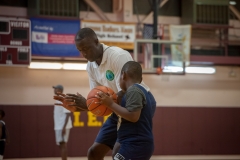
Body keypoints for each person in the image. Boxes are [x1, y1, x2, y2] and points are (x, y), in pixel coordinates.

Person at [53, 27, 155, 160]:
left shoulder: (117, 56)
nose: (84, 53)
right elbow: (98, 102)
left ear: (96, 42)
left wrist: (89, 104)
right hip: (116, 105)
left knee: (119, 153)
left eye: (86, 48)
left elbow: (124, 93)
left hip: (136, 102)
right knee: (94, 153)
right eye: (80, 50)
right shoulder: (90, 66)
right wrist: (79, 107)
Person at [96, 61, 155, 159]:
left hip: (136, 145)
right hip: (133, 143)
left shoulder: (134, 90)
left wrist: (110, 104)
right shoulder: (135, 91)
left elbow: (133, 116)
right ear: (141, 79)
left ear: (123, 75)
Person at [53, 85, 72, 160]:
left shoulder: (63, 100)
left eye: (55, 89)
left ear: (60, 90)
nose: (54, 90)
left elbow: (68, 113)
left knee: (63, 144)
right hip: (58, 126)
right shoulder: (57, 100)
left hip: (62, 126)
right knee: (60, 144)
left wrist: (64, 127)